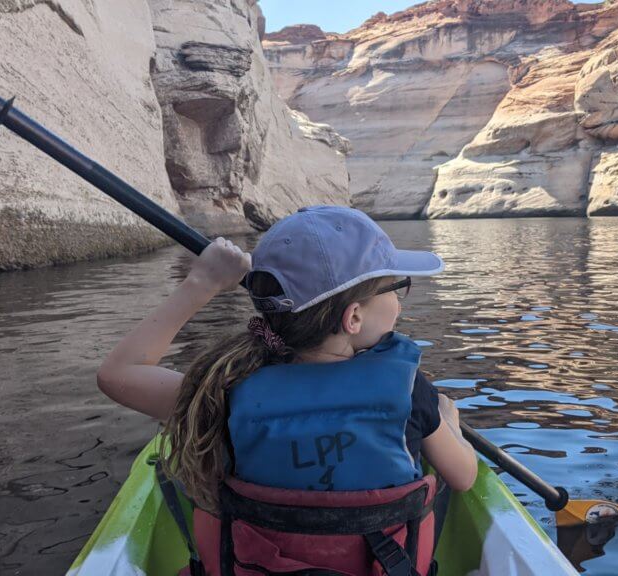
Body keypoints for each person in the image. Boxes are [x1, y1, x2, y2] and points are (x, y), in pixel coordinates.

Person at [98, 206, 477, 576]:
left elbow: (119, 373)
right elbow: (464, 477)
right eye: (397, 288)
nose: (399, 302)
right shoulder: (412, 394)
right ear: (354, 317)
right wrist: (449, 423)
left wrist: (203, 283)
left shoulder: (222, 392)